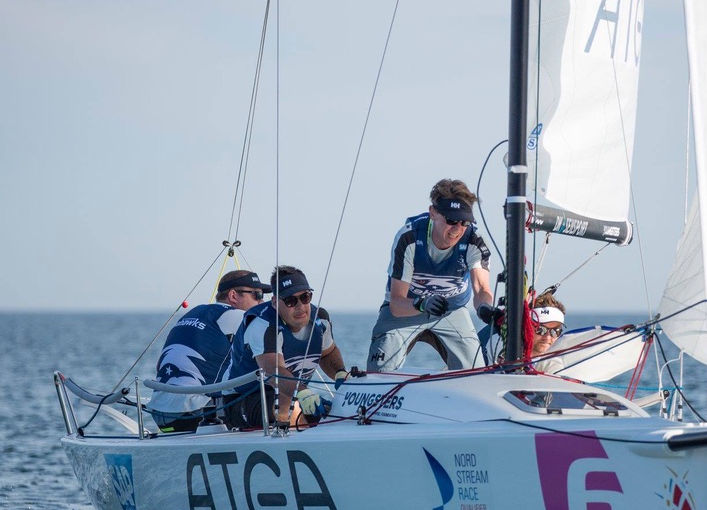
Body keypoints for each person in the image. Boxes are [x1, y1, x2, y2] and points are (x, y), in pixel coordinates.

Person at [367, 178, 503, 372]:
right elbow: (397, 303)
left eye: (464, 222)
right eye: (451, 220)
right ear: (433, 213)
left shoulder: (475, 241)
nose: (457, 229)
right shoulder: (409, 237)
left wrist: (485, 309)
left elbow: (481, 289)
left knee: (474, 373)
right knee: (379, 372)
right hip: (407, 308)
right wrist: (422, 303)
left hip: (451, 309)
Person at [221, 266, 348, 430]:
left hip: (293, 393)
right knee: (288, 402)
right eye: (290, 301)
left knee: (337, 413)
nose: (300, 306)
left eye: (305, 297)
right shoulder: (262, 324)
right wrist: (303, 392)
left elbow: (328, 353)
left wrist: (340, 372)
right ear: (275, 302)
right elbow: (273, 371)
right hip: (242, 399)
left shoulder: (320, 319)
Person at [146, 269, 271, 433]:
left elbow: (159, 366)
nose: (261, 301)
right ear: (233, 296)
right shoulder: (236, 316)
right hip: (196, 414)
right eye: (257, 295)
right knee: (269, 392)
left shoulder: (192, 314)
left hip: (160, 412)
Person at [528, 292, 566, 373]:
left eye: (555, 331)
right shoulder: (507, 360)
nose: (547, 337)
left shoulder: (561, 365)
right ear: (527, 329)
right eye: (540, 329)